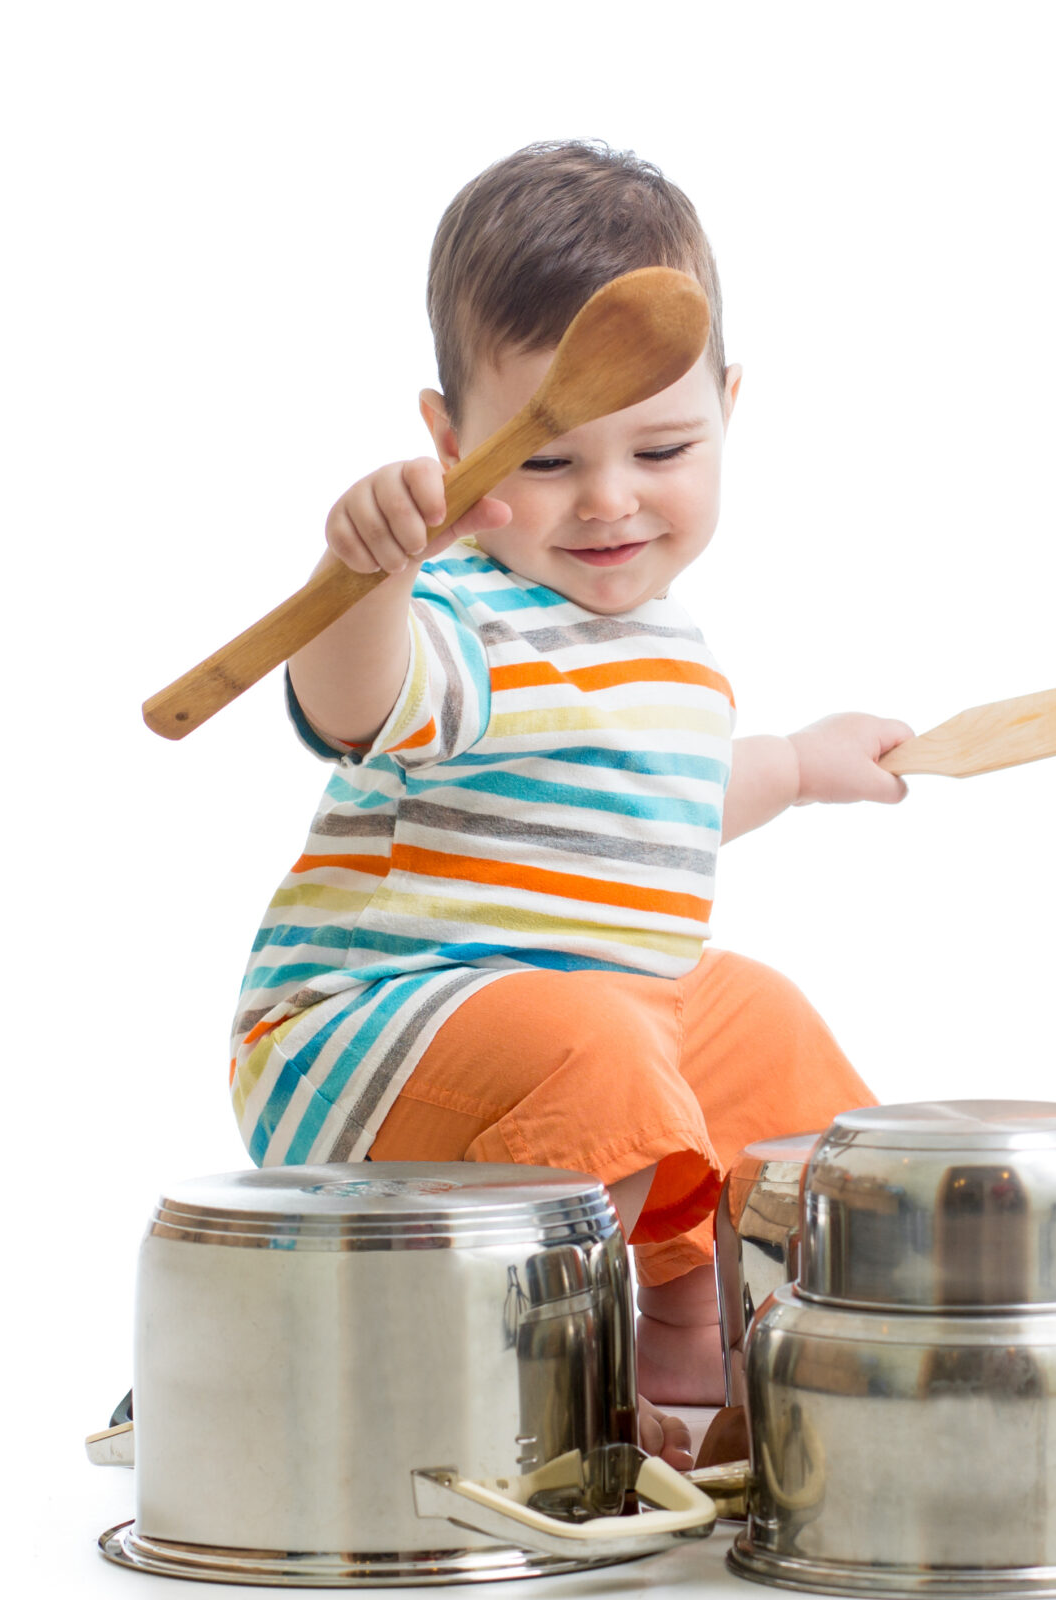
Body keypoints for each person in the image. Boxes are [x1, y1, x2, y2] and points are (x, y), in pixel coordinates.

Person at [229, 141, 909, 1465]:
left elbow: (679, 804)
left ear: (729, 409)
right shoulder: (461, 611)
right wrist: (364, 573)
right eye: (544, 464)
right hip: (362, 1046)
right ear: (450, 446)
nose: (607, 502)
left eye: (662, 447)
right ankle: (616, 1358)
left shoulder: (673, 651)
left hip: (593, 1030)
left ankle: (805, 1320)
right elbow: (354, 703)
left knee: (754, 1014)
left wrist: (809, 763)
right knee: (601, 1036)